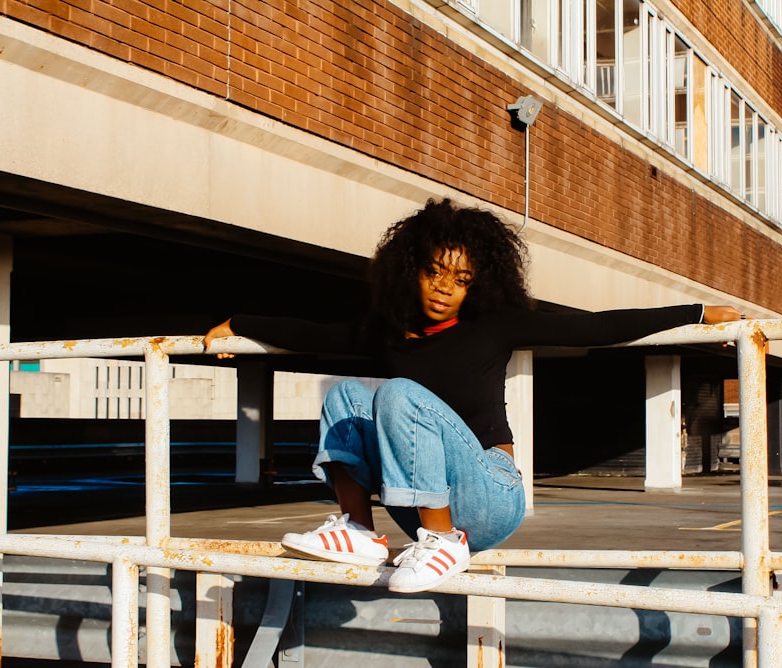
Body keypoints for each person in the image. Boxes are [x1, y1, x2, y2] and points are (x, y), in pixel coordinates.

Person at [203, 197, 744, 593]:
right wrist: (237, 324)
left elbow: (595, 328)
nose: (443, 287)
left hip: (488, 493)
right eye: (434, 272)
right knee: (346, 395)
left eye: (459, 279)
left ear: (476, 285)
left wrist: (694, 312)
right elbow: (310, 334)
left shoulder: (494, 328)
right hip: (416, 510)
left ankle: (444, 545)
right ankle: (360, 530)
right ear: (408, 272)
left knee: (396, 396)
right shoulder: (386, 333)